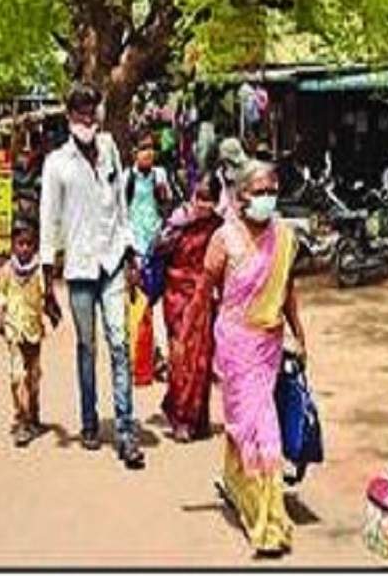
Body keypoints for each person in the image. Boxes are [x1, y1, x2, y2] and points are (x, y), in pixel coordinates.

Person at [182, 159, 305, 557]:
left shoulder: (285, 236)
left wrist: (300, 334)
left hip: (269, 344)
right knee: (257, 425)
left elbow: (287, 290)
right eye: (259, 191)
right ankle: (266, 521)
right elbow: (203, 292)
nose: (267, 197)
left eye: (272, 189)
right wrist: (186, 337)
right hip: (236, 344)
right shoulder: (225, 239)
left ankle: (251, 498)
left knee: (253, 425)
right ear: (239, 197)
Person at [40, 83, 145, 469]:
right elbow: (48, 221)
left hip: (114, 258)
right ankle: (88, 421)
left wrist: (131, 251)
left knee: (120, 343)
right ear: (69, 116)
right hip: (80, 268)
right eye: (80, 111)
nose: (87, 117)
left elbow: (120, 203)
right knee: (88, 347)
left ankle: (126, 432)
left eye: (92, 110)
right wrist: (47, 280)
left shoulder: (110, 149)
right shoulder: (57, 163)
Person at [158, 171, 225, 442]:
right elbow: (159, 250)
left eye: (209, 199)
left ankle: (198, 418)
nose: (203, 204)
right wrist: (173, 229)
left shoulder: (219, 228)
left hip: (205, 297)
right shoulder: (178, 221)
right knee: (181, 355)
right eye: (200, 197)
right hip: (177, 295)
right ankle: (180, 417)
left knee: (202, 358)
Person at [0, 218, 60, 447]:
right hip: (14, 328)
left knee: (33, 375)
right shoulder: (6, 270)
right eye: (20, 243)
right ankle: (22, 419)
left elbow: (47, 297)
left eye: (29, 244)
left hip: (33, 330)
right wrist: (0, 318)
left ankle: (34, 414)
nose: (24, 248)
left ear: (34, 246)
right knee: (17, 375)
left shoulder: (39, 272)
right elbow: (2, 295)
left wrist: (53, 313)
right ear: (13, 245)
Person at [126, 129, 177, 386]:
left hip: (157, 247)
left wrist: (163, 199)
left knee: (157, 305)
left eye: (151, 147)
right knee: (141, 306)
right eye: (143, 147)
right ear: (134, 152)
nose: (148, 152)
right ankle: (146, 359)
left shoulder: (161, 175)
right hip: (136, 249)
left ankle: (160, 358)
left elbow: (169, 208)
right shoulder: (127, 179)